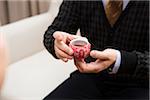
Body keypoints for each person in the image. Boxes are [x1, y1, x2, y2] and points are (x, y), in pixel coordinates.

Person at [43, 0, 149, 99]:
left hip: (140, 82)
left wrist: (123, 60)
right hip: (90, 77)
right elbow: (54, 31)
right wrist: (56, 43)